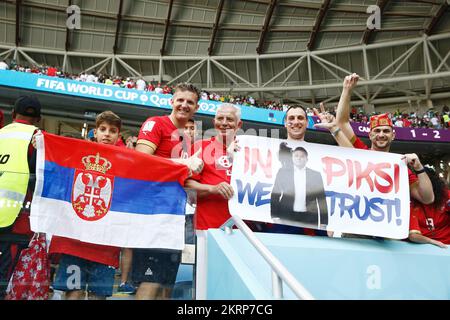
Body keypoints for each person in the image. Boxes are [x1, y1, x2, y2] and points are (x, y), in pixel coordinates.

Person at [133, 82, 203, 300]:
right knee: (151, 281)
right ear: (171, 101)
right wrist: (182, 164)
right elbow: (141, 160)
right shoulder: (156, 124)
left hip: (175, 216)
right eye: (180, 100)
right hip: (151, 214)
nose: (184, 105)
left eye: (189, 102)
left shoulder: (188, 140)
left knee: (166, 285)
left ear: (196, 108)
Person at [49, 111, 123, 300]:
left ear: (118, 136)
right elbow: (54, 155)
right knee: (73, 292)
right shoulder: (77, 152)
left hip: (106, 242)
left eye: (112, 131)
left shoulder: (127, 161)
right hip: (76, 239)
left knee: (98, 295)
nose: (107, 134)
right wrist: (41, 145)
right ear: (95, 132)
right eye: (103, 129)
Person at [332, 73, 434, 206]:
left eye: (386, 131)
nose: (381, 134)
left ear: (393, 135)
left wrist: (419, 168)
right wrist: (347, 90)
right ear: (370, 135)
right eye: (377, 131)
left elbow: (427, 198)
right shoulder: (360, 151)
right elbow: (342, 122)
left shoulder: (400, 167)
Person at [0, 95, 41, 299]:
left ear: (13, 114)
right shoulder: (38, 139)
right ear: (39, 119)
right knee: (3, 282)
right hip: (16, 222)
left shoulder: (1, 134)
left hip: (10, 220)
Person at [185, 104, 242, 230]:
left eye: (230, 119)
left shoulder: (249, 150)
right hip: (207, 228)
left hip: (244, 231)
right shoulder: (199, 147)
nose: (224, 123)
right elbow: (187, 187)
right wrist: (213, 189)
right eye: (220, 119)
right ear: (214, 122)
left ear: (239, 125)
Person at [271, 145, 328, 228]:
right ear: (292, 158)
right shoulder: (283, 172)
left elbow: (321, 198)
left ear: (307, 159)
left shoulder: (315, 175)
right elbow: (275, 194)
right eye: (296, 156)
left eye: (302, 156)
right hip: (286, 216)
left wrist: (324, 222)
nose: (299, 158)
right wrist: (274, 216)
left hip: (309, 218)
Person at [409, 167, 450, 248]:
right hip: (420, 247)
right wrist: (432, 242)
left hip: (447, 246)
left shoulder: (446, 195)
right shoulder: (410, 202)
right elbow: (413, 236)